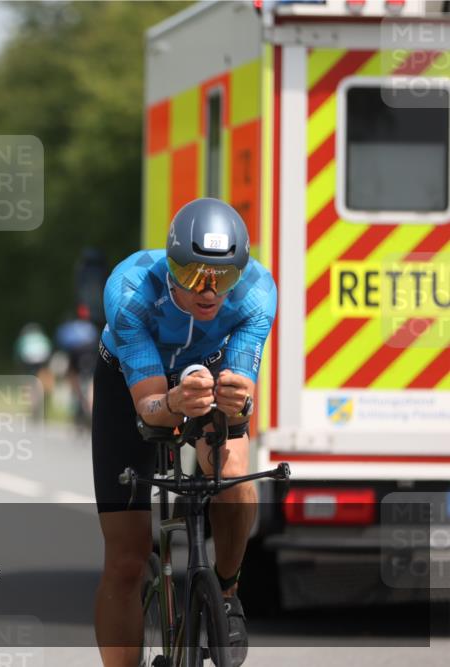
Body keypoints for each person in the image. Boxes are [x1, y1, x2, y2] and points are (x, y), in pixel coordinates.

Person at [92, 198, 277, 667]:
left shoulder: (257, 291)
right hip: (133, 382)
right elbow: (150, 409)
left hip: (208, 373)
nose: (209, 291)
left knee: (233, 475)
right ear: (172, 266)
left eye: (223, 277)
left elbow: (242, 393)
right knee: (127, 559)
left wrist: (237, 399)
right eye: (194, 275)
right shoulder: (131, 288)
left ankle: (227, 593)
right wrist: (174, 403)